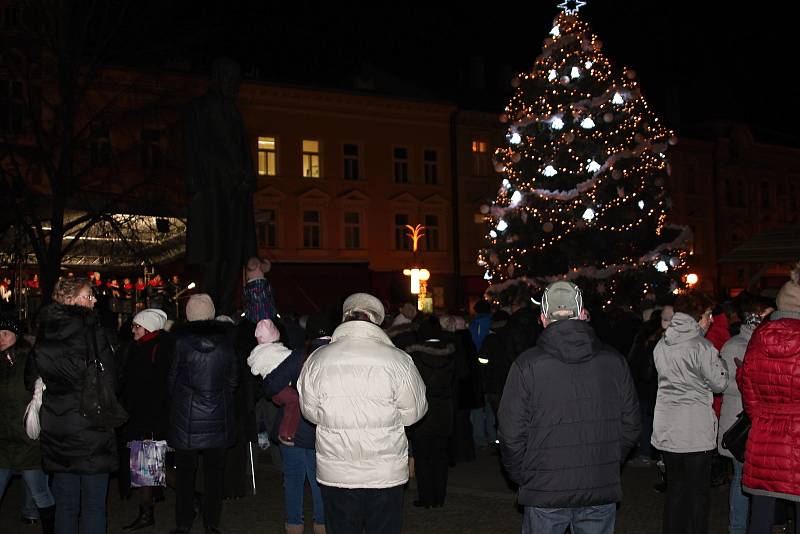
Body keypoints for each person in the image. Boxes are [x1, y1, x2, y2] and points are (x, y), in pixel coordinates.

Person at [498, 281, 639, 533]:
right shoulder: (614, 361)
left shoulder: (526, 365)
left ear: (542, 319)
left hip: (545, 486)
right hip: (597, 483)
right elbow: (630, 424)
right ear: (584, 315)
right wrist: (606, 461)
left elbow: (510, 432)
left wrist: (524, 474)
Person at [298, 293, 427, 534]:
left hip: (337, 470)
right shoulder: (398, 360)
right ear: (377, 321)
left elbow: (310, 412)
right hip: (384, 471)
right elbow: (414, 413)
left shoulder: (317, 360)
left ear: (345, 318)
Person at [33, 278, 121, 534]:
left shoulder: (44, 332)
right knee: (94, 505)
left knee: (66, 505)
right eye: (88, 295)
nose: (94, 300)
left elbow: (32, 376)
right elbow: (112, 380)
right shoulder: (92, 330)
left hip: (57, 426)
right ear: (71, 300)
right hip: (90, 426)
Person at [651, 291, 727, 534]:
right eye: (708, 315)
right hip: (695, 429)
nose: (711, 320)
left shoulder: (662, 344)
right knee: (698, 494)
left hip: (669, 426)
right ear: (697, 317)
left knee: (675, 490)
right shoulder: (702, 347)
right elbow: (719, 384)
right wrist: (721, 366)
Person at [168, 294, 237, 534]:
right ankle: (211, 522)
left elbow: (172, 380)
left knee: (185, 472)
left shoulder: (180, 343)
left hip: (186, 416)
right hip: (218, 414)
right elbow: (233, 380)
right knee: (214, 473)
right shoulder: (226, 344)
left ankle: (184, 522)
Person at [262, 311, 335, 534]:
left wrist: (293, 396)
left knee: (292, 480)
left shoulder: (299, 355)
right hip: (323, 431)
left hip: (292, 430)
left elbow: (271, 385)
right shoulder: (338, 356)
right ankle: (322, 524)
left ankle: (294, 523)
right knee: (321, 482)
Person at [740, 271, 800, 534]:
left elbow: (748, 387)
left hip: (765, 432)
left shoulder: (757, 338)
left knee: (761, 511)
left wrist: (763, 418)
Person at [718, 297, 774, 534]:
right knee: (741, 478)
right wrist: (748, 378)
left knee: (756, 481)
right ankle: (738, 527)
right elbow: (722, 384)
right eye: (768, 315)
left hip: (758, 422)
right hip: (739, 423)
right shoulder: (734, 345)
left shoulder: (764, 343)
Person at [118, 308, 174, 531]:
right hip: (142, 414)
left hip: (150, 415)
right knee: (147, 466)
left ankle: (148, 512)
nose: (133, 330)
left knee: (148, 466)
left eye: (137, 326)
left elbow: (156, 386)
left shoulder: (158, 349)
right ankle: (192, 499)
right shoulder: (141, 348)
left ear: (148, 328)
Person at [0, 316, 56, 534]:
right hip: (3, 442)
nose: (1, 339)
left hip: (28, 442)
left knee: (40, 493)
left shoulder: (28, 361)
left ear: (16, 335)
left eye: (5, 334)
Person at [405, 316, 457, 508]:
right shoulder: (450, 353)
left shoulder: (415, 356)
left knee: (423, 458)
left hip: (423, 413)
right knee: (441, 458)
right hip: (444, 411)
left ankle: (426, 497)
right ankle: (439, 498)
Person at [625, 304, 673, 468]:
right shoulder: (654, 338)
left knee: (647, 419)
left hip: (649, 385)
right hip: (651, 385)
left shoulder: (651, 338)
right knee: (649, 419)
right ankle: (651, 452)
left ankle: (647, 452)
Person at [247, 319, 296, 446]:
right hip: (282, 388)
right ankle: (287, 433)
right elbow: (292, 358)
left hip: (271, 390)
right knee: (294, 401)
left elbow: (254, 370)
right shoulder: (276, 351)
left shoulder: (257, 352)